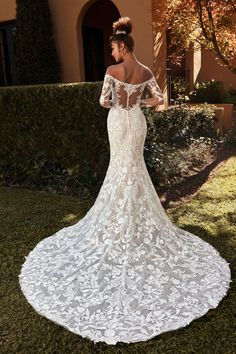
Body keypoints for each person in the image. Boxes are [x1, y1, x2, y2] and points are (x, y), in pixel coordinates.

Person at [18, 17, 231, 345]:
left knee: (121, 169)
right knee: (134, 170)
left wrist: (120, 100)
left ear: (122, 46)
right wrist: (138, 102)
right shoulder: (145, 71)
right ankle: (134, 220)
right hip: (137, 122)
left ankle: (119, 220)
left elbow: (104, 101)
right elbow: (158, 99)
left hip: (119, 120)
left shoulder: (111, 73)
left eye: (113, 47)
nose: (111, 51)